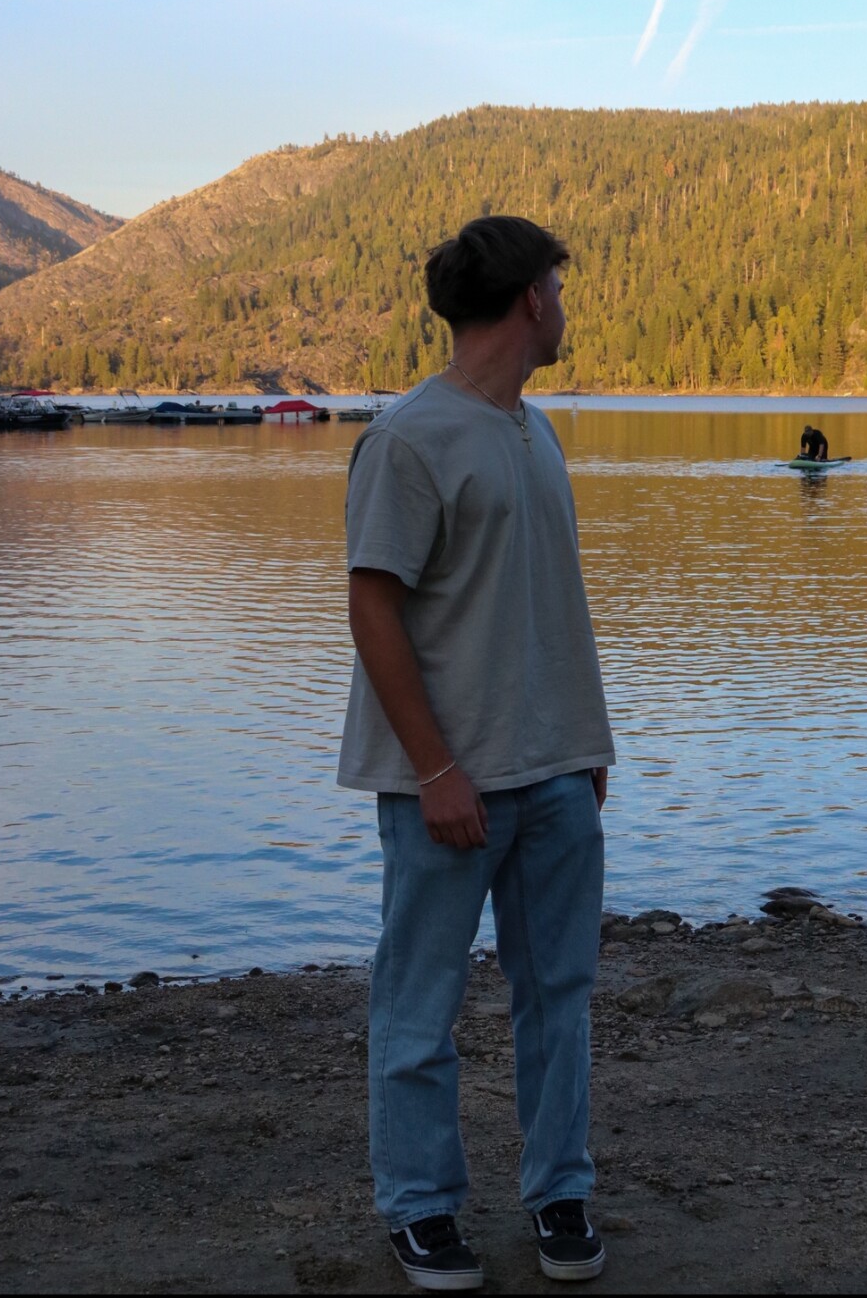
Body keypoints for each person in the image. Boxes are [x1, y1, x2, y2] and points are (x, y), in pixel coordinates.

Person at [338, 214, 614, 1291]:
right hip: (446, 788)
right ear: (531, 299)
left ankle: (560, 1192)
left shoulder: (535, 431)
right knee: (418, 1004)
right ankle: (419, 1207)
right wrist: (435, 770)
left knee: (561, 997)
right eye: (559, 286)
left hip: (556, 776)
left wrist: (586, 743)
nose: (564, 305)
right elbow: (372, 610)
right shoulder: (410, 439)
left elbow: (548, 604)